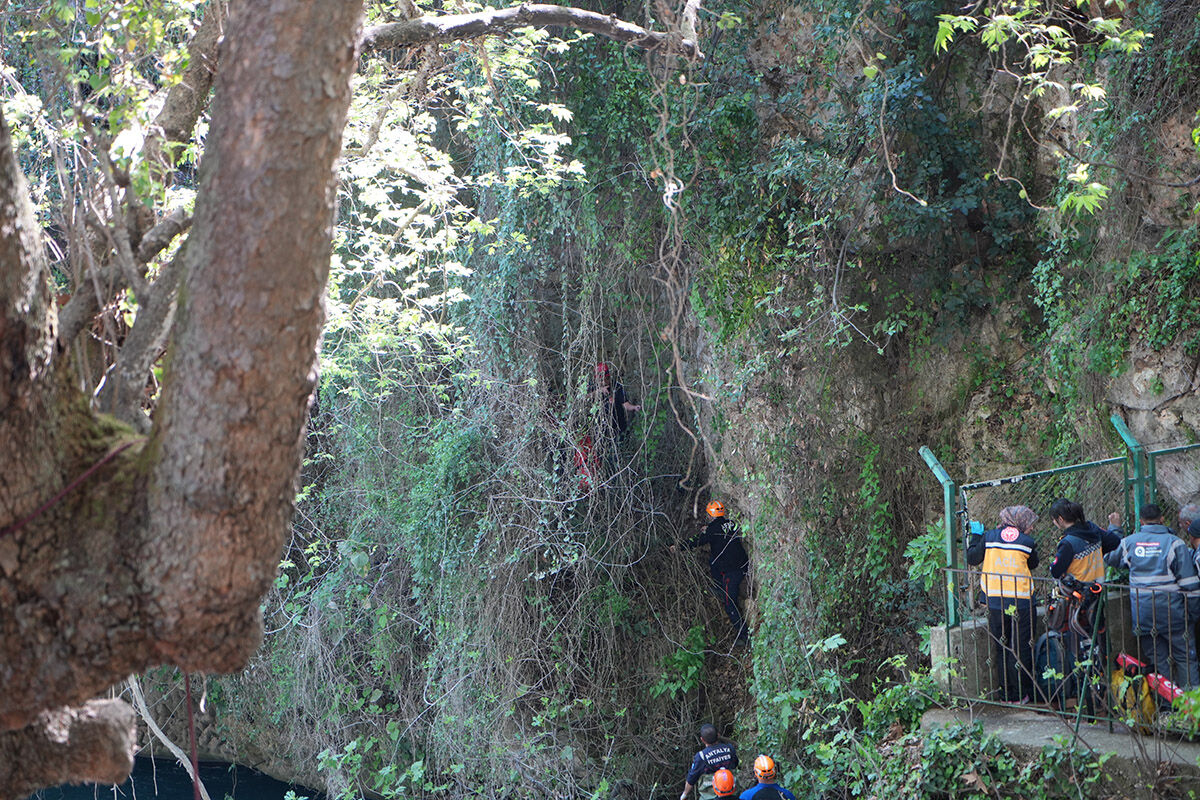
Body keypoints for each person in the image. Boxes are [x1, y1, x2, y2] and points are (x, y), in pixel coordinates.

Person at [1106, 504, 1200, 688]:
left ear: (1141, 521)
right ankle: (1192, 706)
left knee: (1159, 662)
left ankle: (1166, 708)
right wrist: (1192, 615)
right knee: (1185, 658)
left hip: (1144, 615)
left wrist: (1115, 530)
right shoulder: (1175, 543)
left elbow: (1110, 556)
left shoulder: (1130, 543)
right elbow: (1190, 585)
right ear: (1162, 519)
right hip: (1174, 615)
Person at [1046, 498, 1121, 708]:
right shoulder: (1093, 530)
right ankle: (1101, 695)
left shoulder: (1068, 542)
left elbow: (1055, 570)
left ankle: (1086, 702)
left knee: (1078, 650)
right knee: (1099, 645)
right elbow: (1114, 542)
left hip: (1077, 603)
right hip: (1097, 596)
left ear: (1060, 519)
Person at [966, 505, 1039, 702]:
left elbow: (972, 558)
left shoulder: (989, 537)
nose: (1032, 528)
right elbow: (1033, 564)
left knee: (1002, 647)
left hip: (995, 601)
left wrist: (975, 536)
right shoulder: (1027, 542)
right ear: (1021, 522)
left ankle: (1006, 693)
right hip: (1021, 602)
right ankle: (1021, 694)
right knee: (1022, 648)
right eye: (1030, 524)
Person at [673, 501, 750, 642]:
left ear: (711, 514)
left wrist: (679, 547)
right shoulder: (732, 523)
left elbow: (697, 541)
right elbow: (720, 533)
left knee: (729, 602)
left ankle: (744, 635)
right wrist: (708, 530)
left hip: (731, 571)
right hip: (743, 564)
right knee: (713, 561)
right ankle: (719, 586)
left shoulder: (711, 530)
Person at [679, 723, 739, 800]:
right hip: (733, 792)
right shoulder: (730, 749)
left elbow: (692, 778)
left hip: (710, 796)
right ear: (718, 735)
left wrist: (684, 794)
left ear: (702, 740)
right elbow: (735, 764)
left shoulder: (701, 756)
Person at [594, 362, 640, 442]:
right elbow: (583, 397)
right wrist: (599, 391)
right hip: (601, 428)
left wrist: (634, 407)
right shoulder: (593, 387)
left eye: (607, 379)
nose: (604, 382)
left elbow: (625, 404)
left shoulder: (616, 386)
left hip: (618, 426)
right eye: (601, 380)